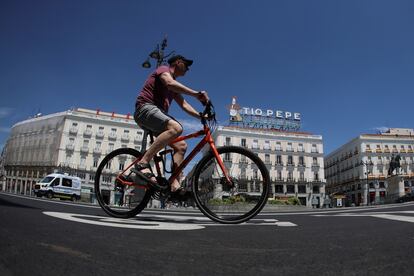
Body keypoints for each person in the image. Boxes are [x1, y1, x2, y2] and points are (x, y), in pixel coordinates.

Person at [134, 54, 209, 195]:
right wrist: (197, 94)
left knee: (181, 146)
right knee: (176, 128)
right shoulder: (164, 70)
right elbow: (169, 83)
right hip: (145, 109)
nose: (188, 69)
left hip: (157, 115)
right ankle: (143, 162)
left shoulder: (174, 87)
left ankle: (174, 184)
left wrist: (201, 116)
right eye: (186, 65)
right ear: (178, 62)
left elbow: (185, 105)